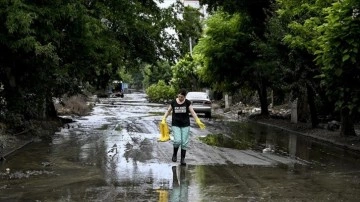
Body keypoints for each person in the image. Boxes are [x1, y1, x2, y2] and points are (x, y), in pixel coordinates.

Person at [161, 88, 206, 166]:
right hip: (176, 124)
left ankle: (182, 159)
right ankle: (174, 154)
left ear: (185, 97)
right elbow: (168, 111)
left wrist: (198, 120)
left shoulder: (187, 103)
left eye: (182, 97)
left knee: (184, 143)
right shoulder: (173, 102)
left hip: (185, 124)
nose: (180, 98)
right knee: (177, 141)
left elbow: (193, 112)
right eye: (179, 96)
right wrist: (164, 118)